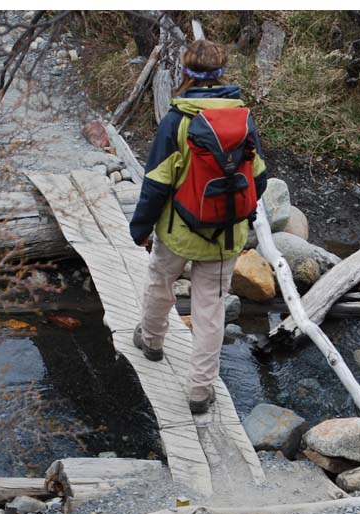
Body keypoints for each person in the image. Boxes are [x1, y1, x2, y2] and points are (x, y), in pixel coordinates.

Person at [128, 39, 268, 414]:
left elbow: (156, 183)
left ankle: (152, 341)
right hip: (226, 235)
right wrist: (243, 215)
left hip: (178, 230)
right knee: (211, 310)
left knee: (160, 283)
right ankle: (200, 390)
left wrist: (140, 228)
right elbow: (260, 178)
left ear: (184, 73)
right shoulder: (243, 119)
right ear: (223, 74)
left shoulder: (177, 120)